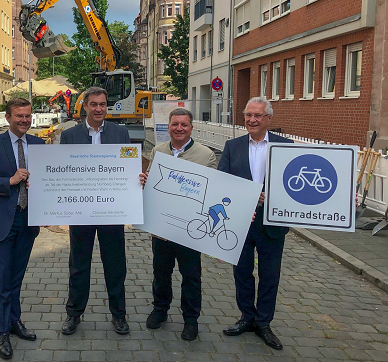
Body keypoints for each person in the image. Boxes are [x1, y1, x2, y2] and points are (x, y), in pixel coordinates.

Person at [0, 98, 45, 359]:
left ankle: (14, 322)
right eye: (19, 116)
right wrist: (9, 181)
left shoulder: (38, 144)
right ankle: (1, 332)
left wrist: (48, 209)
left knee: (16, 277)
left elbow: (48, 181)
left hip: (28, 221)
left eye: (28, 116)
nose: (24, 120)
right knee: (1, 280)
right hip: (2, 221)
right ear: (8, 117)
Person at [217, 97, 293, 350]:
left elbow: (294, 186)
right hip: (241, 220)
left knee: (270, 274)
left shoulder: (286, 146)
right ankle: (247, 317)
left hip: (272, 222)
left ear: (269, 119)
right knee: (242, 272)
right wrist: (246, 195)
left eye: (258, 116)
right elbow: (221, 183)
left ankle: (264, 323)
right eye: (248, 115)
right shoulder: (232, 146)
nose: (251, 120)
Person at [139, 108, 217, 340]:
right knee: (161, 272)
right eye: (175, 124)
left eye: (184, 124)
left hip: (190, 228)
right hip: (162, 227)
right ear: (169, 127)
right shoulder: (158, 150)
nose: (179, 128)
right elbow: (152, 182)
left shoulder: (206, 155)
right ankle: (160, 310)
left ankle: (191, 319)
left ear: (191, 128)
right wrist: (145, 180)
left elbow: (213, 190)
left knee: (191, 276)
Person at [60, 87, 131, 335]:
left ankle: (119, 315)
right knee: (78, 264)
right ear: (85, 107)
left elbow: (127, 168)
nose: (99, 109)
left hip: (112, 210)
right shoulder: (69, 136)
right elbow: (62, 171)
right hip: (81, 210)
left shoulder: (121, 133)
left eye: (102, 104)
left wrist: (137, 179)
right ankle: (74, 314)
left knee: (115, 264)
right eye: (94, 105)